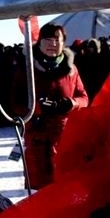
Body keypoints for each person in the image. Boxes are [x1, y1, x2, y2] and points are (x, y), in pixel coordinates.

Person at [10, 22, 88, 191]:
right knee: (40, 191)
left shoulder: (71, 69)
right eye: (47, 39)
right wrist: (37, 108)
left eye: (57, 39)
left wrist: (72, 104)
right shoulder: (27, 69)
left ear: (63, 42)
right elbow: (15, 103)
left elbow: (84, 97)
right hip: (37, 139)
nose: (52, 43)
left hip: (65, 139)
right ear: (39, 42)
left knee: (65, 187)